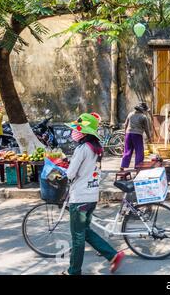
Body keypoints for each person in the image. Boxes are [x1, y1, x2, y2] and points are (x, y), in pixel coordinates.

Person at [63, 113, 125, 275]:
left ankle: (73, 271)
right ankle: (113, 255)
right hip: (91, 196)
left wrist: (61, 168)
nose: (75, 133)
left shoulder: (82, 149)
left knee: (78, 237)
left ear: (84, 133)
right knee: (85, 232)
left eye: (78, 130)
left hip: (80, 198)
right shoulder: (97, 148)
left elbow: (70, 174)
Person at [120, 103, 152, 171]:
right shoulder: (143, 117)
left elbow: (125, 124)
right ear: (143, 110)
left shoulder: (130, 114)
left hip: (128, 134)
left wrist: (125, 134)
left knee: (127, 151)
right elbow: (146, 129)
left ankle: (123, 166)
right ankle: (138, 166)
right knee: (139, 151)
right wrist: (149, 138)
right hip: (137, 135)